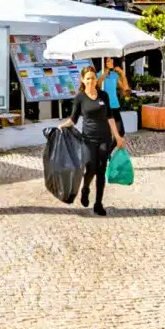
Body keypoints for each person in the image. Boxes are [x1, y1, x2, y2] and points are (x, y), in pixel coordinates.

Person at [60, 65, 129, 216]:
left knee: (101, 170)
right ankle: (85, 189)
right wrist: (62, 126)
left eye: (93, 78)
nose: (91, 81)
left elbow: (110, 117)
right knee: (90, 168)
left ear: (96, 79)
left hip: (104, 137)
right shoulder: (80, 97)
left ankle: (98, 203)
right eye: (88, 78)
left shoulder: (103, 95)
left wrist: (117, 137)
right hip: (88, 139)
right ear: (83, 80)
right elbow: (73, 119)